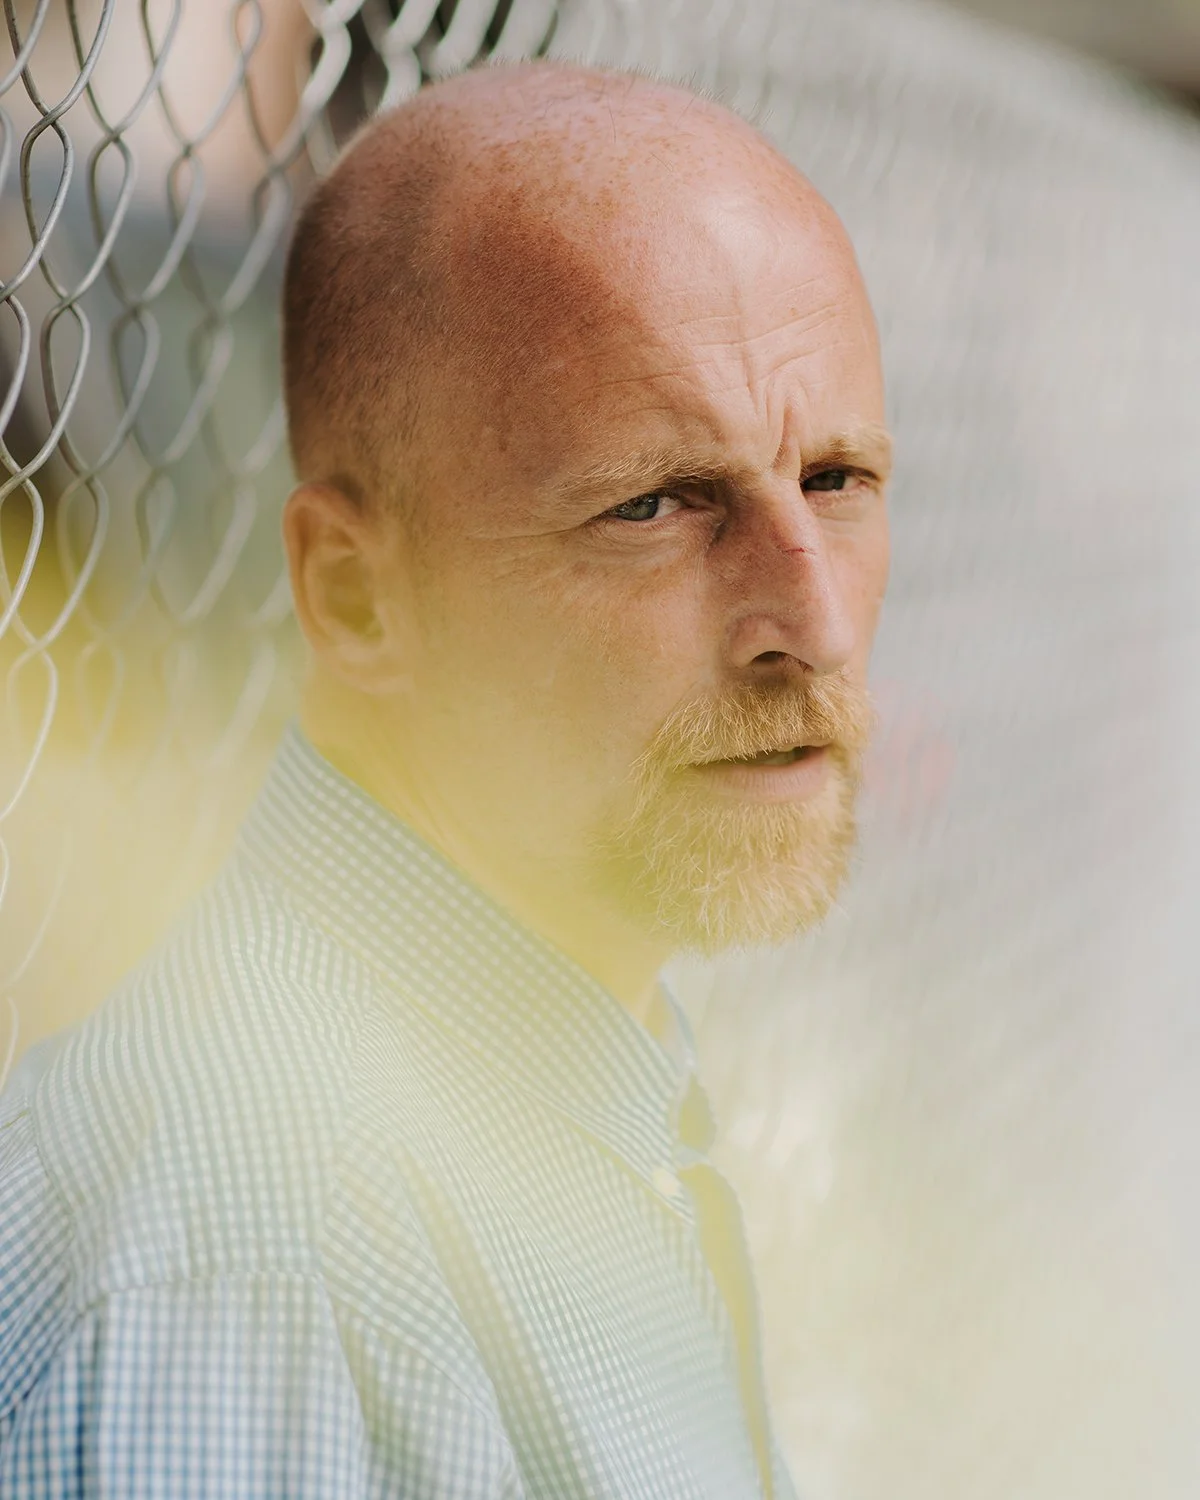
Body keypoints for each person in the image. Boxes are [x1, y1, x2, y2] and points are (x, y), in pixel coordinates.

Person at [0, 58, 890, 1499]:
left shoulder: (570, 1086)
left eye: (837, 480)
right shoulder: (255, 1269)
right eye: (655, 506)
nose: (817, 623)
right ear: (355, 596)